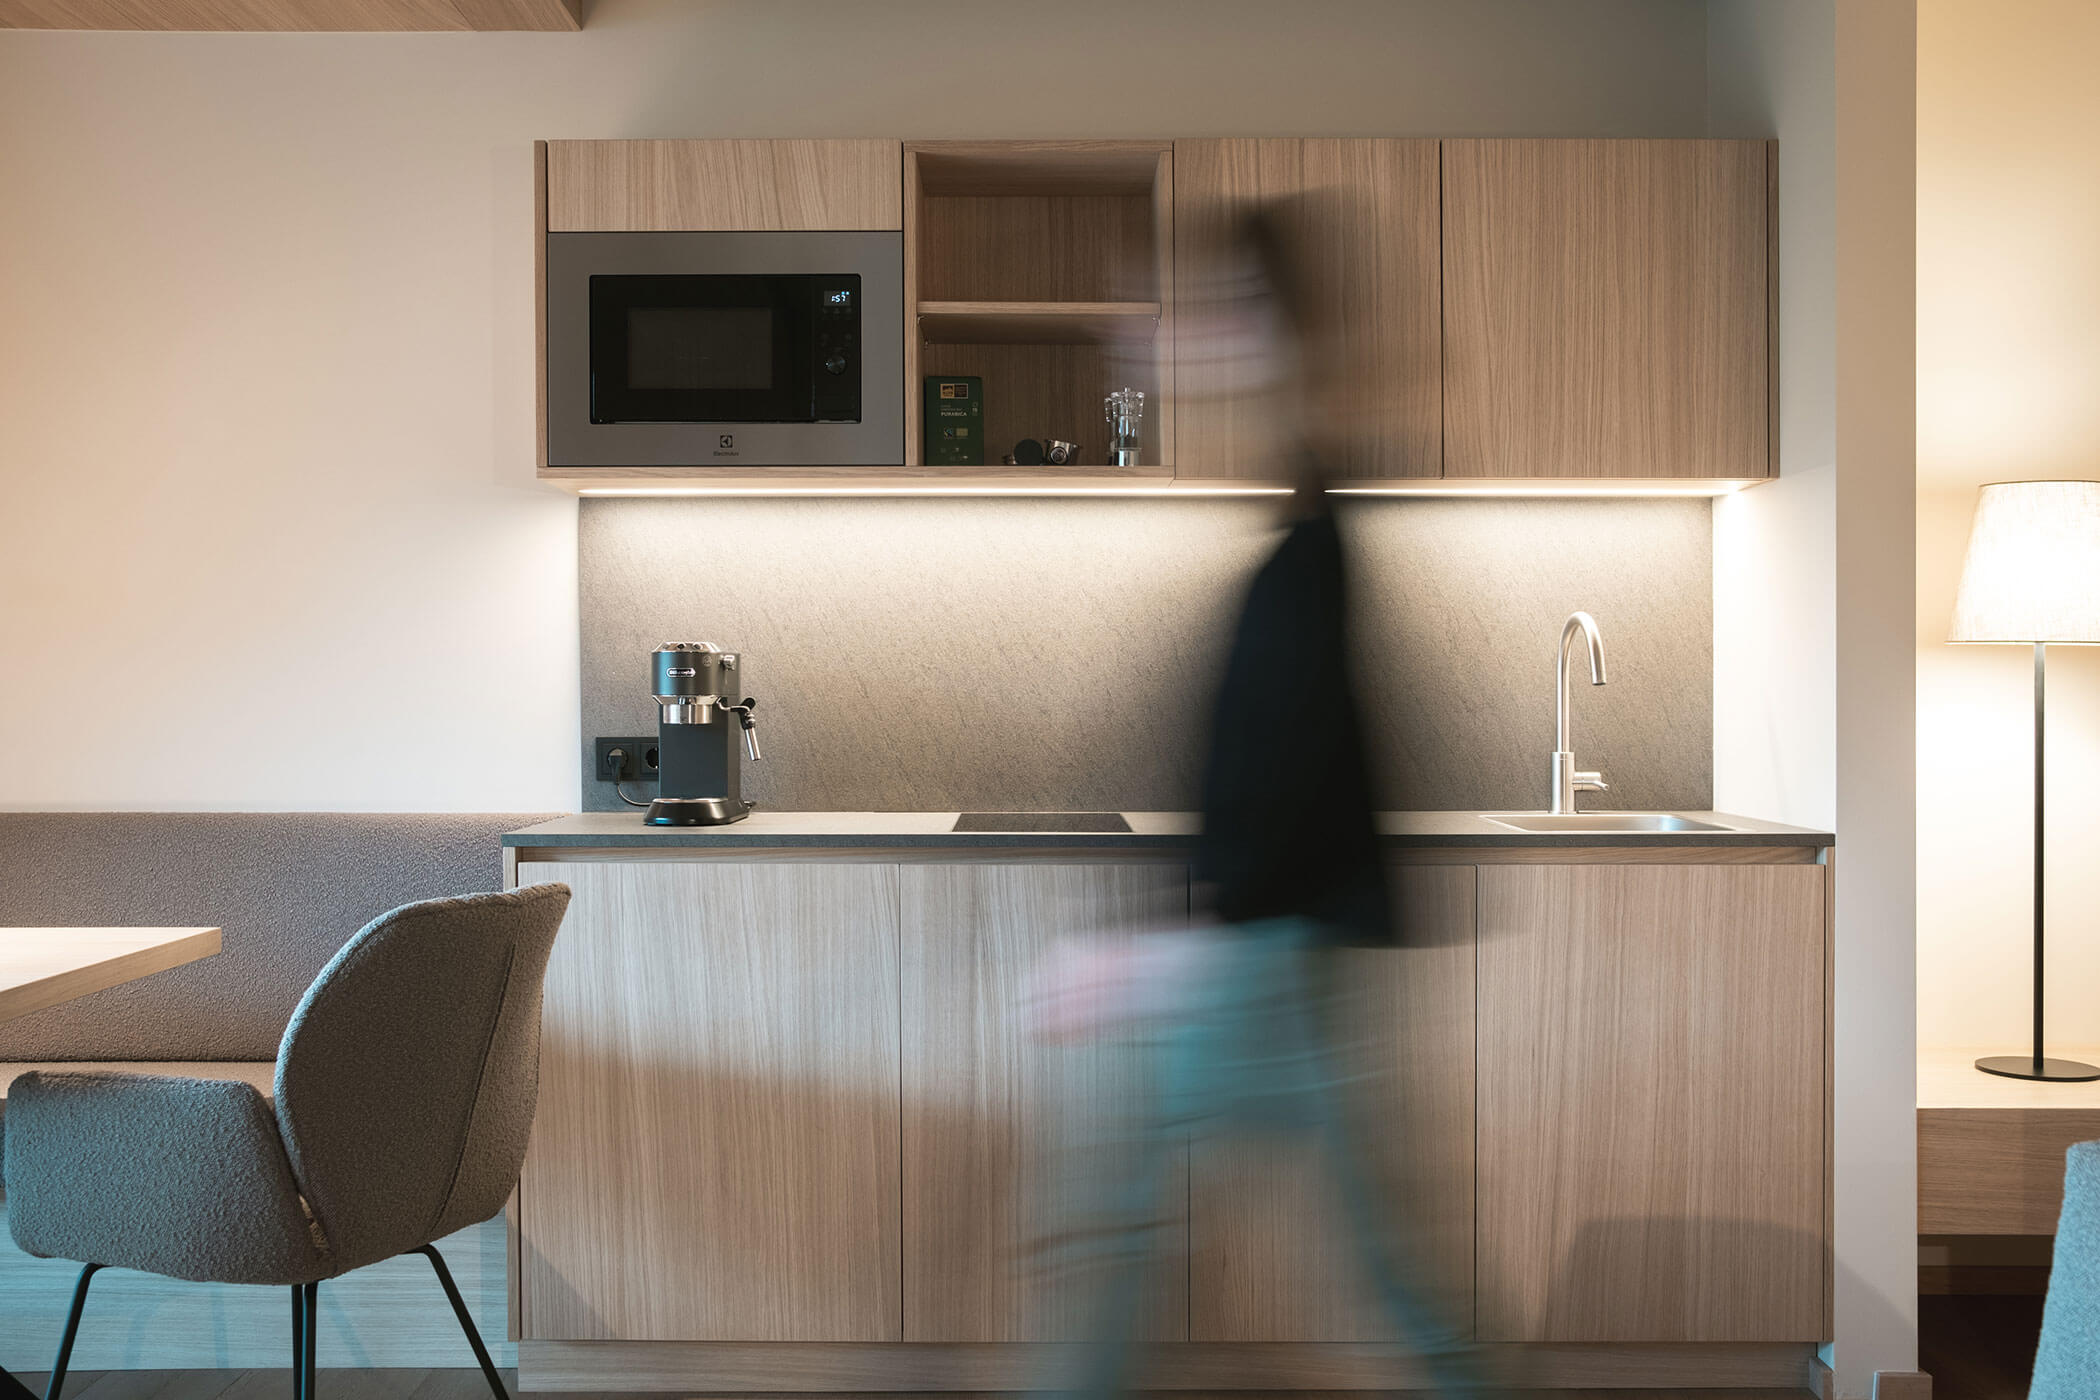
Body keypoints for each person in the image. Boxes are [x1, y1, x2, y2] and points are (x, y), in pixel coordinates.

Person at [1038, 196, 1488, 1400]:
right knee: (1381, 1248)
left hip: (1272, 943)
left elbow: (1295, 741)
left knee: (1117, 1220)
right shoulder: (1308, 504)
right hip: (1283, 935)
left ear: (1258, 325)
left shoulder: (1313, 526)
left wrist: (1181, 939)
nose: (1157, 338)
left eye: (1190, 312)